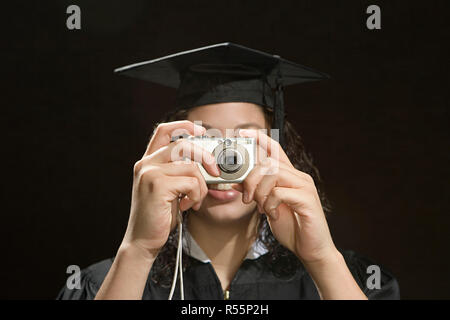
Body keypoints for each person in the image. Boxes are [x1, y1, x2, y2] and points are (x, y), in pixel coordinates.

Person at [57, 43, 400, 300]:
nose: (225, 161)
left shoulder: (350, 278)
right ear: (173, 149)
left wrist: (322, 258)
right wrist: (138, 248)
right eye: (205, 140)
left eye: (244, 141)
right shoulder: (107, 283)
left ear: (281, 150)